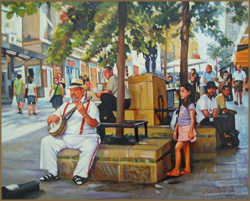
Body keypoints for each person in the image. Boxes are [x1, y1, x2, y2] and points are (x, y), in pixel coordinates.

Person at [39, 78, 100, 185]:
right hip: (66, 138)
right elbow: (52, 118)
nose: (73, 93)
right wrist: (51, 119)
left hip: (85, 138)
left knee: (91, 145)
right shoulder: (66, 105)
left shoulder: (90, 105)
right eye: (71, 90)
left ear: (82, 91)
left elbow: (94, 124)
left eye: (76, 90)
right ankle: (52, 173)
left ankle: (80, 175)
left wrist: (84, 114)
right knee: (47, 141)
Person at [166, 83, 197, 177]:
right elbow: (179, 119)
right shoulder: (183, 104)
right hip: (181, 128)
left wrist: (191, 131)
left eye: (183, 91)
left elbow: (192, 119)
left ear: (189, 92)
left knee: (177, 148)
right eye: (180, 91)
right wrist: (175, 130)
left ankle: (176, 170)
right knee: (185, 148)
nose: (181, 93)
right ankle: (187, 168)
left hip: (187, 128)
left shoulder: (191, 105)